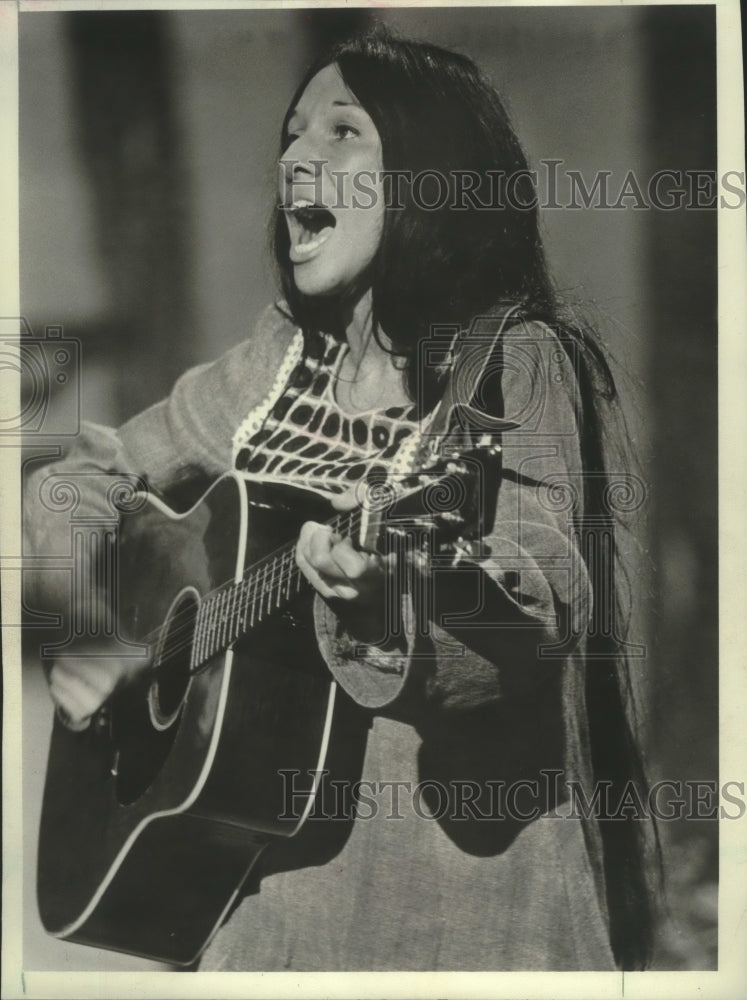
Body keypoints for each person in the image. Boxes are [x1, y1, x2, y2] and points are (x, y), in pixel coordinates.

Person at [24, 28, 656, 971]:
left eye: (342, 131)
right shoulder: (275, 363)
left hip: (458, 912)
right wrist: (89, 620)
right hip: (262, 910)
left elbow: (541, 598)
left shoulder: (512, 363)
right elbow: (82, 473)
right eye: (288, 134)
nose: (292, 157)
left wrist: (396, 599)